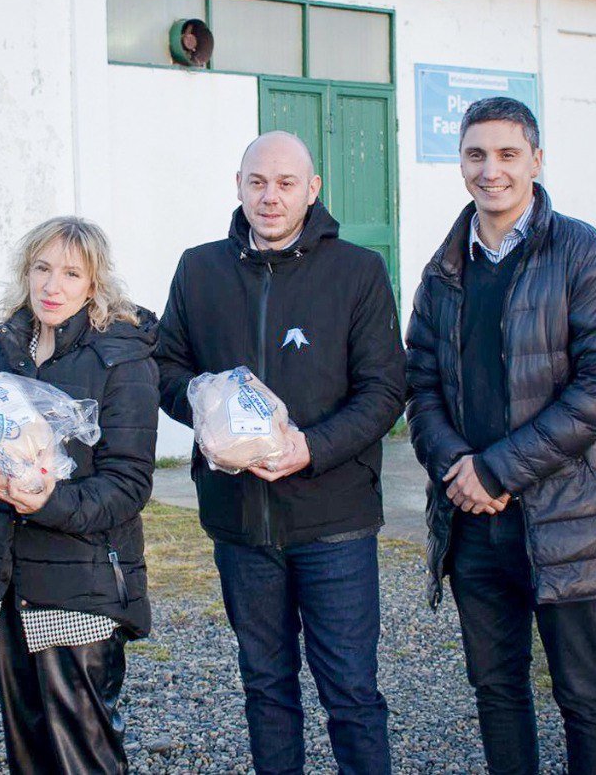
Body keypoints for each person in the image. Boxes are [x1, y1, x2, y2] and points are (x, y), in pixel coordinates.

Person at [155, 131, 406, 774]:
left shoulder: (357, 271)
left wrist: (310, 448)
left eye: (286, 183)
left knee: (350, 691)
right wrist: (211, 420)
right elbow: (167, 368)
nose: (270, 197)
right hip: (241, 522)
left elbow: (385, 391)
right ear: (238, 186)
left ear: (312, 190)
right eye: (257, 182)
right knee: (266, 687)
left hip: (335, 523)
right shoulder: (198, 268)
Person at [405, 96, 596, 775]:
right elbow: (420, 388)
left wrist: (498, 471)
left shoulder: (580, 251)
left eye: (508, 154)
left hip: (566, 522)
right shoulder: (444, 270)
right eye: (476, 154)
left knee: (585, 695)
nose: (491, 170)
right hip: (474, 527)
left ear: (537, 159)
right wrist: (458, 468)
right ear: (461, 163)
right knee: (496, 692)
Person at [0, 216, 159, 775]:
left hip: (78, 586)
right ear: (26, 272)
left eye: (71, 273)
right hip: (2, 578)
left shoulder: (121, 358)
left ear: (94, 284)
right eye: (42, 268)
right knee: (28, 750)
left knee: (83, 755)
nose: (52, 285)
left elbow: (128, 485)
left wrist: (49, 503)